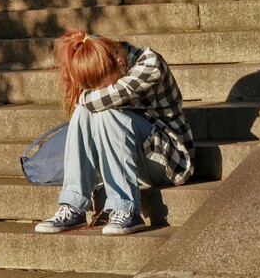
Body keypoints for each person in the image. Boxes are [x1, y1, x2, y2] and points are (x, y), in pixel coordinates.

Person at [35, 29, 194, 235]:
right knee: (87, 112)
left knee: (104, 110)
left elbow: (99, 99)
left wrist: (84, 98)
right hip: (134, 160)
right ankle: (73, 205)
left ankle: (126, 210)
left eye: (105, 85)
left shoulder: (149, 64)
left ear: (119, 60)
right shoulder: (110, 64)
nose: (101, 90)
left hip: (169, 161)